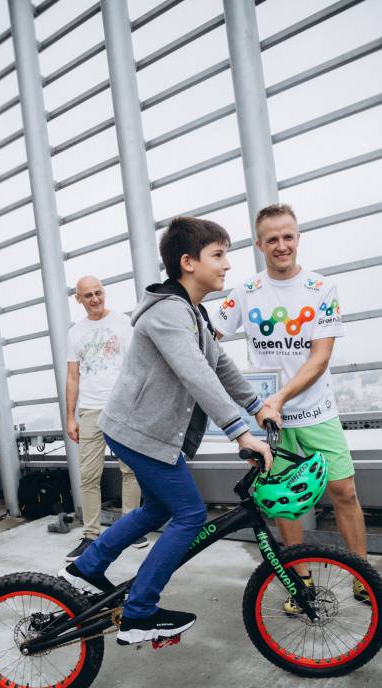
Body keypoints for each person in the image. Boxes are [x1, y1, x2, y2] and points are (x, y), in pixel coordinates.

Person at [59, 216, 278, 644]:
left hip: (148, 432)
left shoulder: (192, 311)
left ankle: (88, 566)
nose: (227, 265)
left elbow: (220, 364)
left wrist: (258, 407)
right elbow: (197, 374)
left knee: (159, 509)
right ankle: (140, 612)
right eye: (218, 255)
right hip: (137, 431)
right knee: (191, 513)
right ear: (188, 262)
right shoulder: (167, 314)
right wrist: (240, 432)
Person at [212, 203, 382, 615]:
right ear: (260, 244)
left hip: (318, 412)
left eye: (288, 237)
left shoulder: (321, 289)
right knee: (284, 500)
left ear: (297, 238)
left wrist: (280, 398)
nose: (282, 246)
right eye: (272, 239)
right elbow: (209, 339)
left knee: (344, 491)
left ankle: (363, 579)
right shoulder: (243, 292)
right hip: (268, 422)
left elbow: (320, 358)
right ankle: (299, 582)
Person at [65, 275, 146, 562]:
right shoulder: (75, 332)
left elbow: (137, 364)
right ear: (79, 299)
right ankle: (90, 537)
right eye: (88, 295)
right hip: (89, 409)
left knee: (130, 470)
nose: (95, 299)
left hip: (121, 406)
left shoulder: (123, 323)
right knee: (88, 475)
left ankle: (130, 529)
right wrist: (70, 417)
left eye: (98, 293)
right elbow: (73, 376)